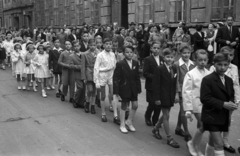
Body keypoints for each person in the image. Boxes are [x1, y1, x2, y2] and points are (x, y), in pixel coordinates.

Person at [200, 53, 237, 156]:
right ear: (214, 64)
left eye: (225, 65)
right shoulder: (207, 79)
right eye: (219, 64)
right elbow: (205, 98)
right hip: (211, 116)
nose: (222, 67)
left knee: (212, 141)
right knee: (219, 144)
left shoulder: (229, 80)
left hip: (223, 116)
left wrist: (232, 103)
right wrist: (223, 104)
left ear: (229, 64)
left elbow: (231, 95)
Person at [209, 46, 239, 154]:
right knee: (215, 122)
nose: (229, 57)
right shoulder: (214, 67)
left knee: (227, 121)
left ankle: (225, 142)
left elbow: (236, 84)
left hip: (229, 100)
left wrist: (237, 100)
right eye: (226, 55)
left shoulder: (234, 68)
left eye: (231, 55)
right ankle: (213, 142)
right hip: (217, 101)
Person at [182, 49, 211, 156]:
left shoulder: (210, 73)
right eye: (200, 60)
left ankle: (196, 146)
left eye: (204, 60)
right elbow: (187, 91)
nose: (202, 62)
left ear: (208, 60)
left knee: (200, 127)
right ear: (195, 60)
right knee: (203, 125)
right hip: (196, 103)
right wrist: (188, 108)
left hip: (207, 104)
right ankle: (192, 143)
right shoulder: (191, 74)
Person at [151, 48, 179, 148]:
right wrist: (157, 98)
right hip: (162, 96)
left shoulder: (174, 68)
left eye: (171, 57)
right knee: (166, 115)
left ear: (174, 58)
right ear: (164, 57)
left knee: (166, 114)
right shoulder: (159, 69)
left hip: (170, 95)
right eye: (167, 57)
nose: (169, 59)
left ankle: (155, 128)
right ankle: (169, 138)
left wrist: (176, 94)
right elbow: (156, 85)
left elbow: (175, 82)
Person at [113, 45, 141, 133]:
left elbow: (137, 76)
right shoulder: (120, 63)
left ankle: (129, 121)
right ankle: (122, 124)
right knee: (124, 106)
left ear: (133, 53)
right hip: (124, 88)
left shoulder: (136, 63)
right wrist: (116, 91)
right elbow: (116, 78)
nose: (129, 54)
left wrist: (138, 88)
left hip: (133, 88)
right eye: (127, 52)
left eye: (131, 52)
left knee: (135, 105)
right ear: (124, 53)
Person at [94, 38, 119, 124]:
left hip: (111, 75)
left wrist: (116, 77)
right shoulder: (100, 55)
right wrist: (96, 80)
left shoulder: (112, 54)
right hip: (102, 75)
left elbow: (115, 66)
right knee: (103, 96)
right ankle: (103, 113)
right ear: (103, 45)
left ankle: (115, 115)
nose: (108, 45)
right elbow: (96, 68)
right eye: (107, 44)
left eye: (110, 44)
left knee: (113, 94)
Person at [174, 44, 195, 142]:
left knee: (182, 110)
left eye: (188, 53)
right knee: (184, 111)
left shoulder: (193, 64)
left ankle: (178, 128)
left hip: (190, 91)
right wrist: (177, 93)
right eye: (184, 53)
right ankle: (186, 132)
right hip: (181, 90)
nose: (186, 55)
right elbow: (177, 79)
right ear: (180, 53)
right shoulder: (177, 64)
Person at [143, 42, 164, 126]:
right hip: (151, 85)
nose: (156, 49)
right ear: (151, 48)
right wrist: (156, 77)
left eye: (158, 48)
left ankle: (155, 119)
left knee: (158, 104)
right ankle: (147, 116)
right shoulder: (148, 59)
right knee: (152, 103)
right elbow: (145, 73)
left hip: (160, 86)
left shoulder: (162, 59)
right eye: (154, 48)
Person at [81, 39, 99, 114]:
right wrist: (83, 77)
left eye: (94, 45)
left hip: (96, 72)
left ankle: (92, 105)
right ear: (88, 45)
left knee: (94, 91)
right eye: (91, 45)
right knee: (90, 90)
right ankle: (87, 103)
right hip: (88, 72)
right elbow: (83, 66)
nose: (93, 47)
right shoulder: (84, 54)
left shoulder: (99, 53)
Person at [69, 41, 85, 108]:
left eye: (77, 46)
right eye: (75, 46)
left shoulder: (84, 54)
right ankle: (75, 100)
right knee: (80, 87)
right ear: (73, 47)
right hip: (77, 73)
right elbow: (71, 66)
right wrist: (80, 67)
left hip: (84, 73)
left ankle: (81, 102)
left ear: (80, 46)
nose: (76, 47)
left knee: (83, 88)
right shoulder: (71, 56)